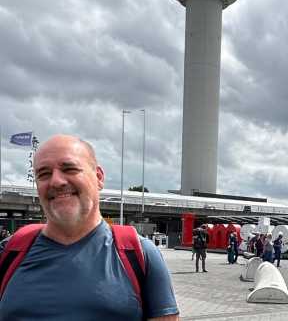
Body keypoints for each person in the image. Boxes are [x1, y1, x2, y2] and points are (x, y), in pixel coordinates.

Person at [0, 134, 179, 320]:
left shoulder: (141, 254)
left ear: (99, 177)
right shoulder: (8, 252)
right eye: (44, 174)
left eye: (69, 169)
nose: (56, 181)